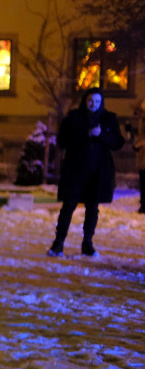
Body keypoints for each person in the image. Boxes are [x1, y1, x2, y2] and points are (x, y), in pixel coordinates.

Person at [47, 87, 124, 257]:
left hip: (98, 171)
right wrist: (85, 134)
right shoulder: (74, 118)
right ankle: (58, 243)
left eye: (97, 101)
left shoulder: (108, 119)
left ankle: (87, 243)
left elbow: (117, 142)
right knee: (68, 206)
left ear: (101, 102)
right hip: (75, 169)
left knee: (92, 208)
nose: (93, 104)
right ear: (85, 100)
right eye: (90, 100)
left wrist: (101, 134)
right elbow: (63, 140)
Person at [132, 99, 145, 214]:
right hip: (141, 153)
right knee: (142, 178)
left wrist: (141, 143)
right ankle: (143, 203)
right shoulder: (141, 119)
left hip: (142, 149)